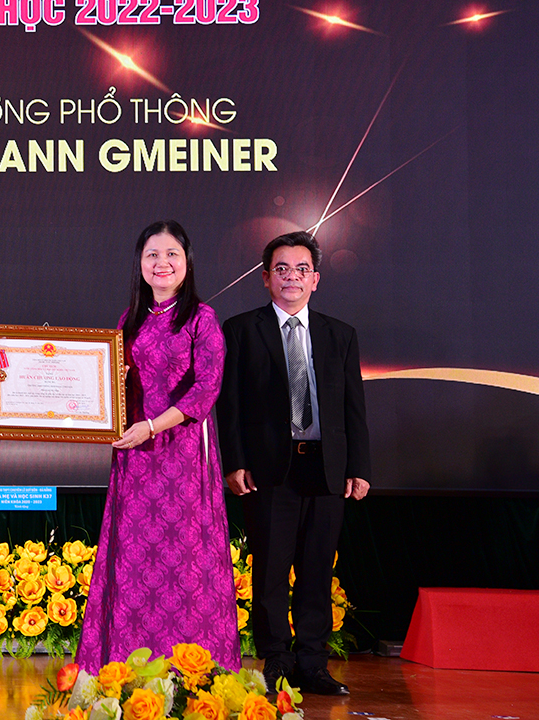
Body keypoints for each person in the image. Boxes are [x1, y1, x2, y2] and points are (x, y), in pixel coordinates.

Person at [77, 221, 241, 672]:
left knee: (183, 563)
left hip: (182, 456)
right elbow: (111, 380)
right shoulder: (128, 320)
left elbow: (206, 391)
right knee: (133, 565)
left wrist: (153, 426)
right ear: (140, 264)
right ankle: (125, 670)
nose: (162, 263)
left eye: (172, 254)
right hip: (134, 453)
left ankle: (188, 671)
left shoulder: (201, 319)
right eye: (152, 255)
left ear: (187, 264)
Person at [217, 231, 371, 696]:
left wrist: (359, 466)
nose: (291, 277)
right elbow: (231, 406)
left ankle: (313, 663)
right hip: (268, 471)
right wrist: (235, 462)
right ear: (266, 279)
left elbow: (353, 407)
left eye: (301, 269)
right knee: (269, 571)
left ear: (316, 279)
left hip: (326, 468)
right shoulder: (242, 329)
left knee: (317, 569)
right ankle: (277, 662)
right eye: (281, 269)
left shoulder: (339, 334)